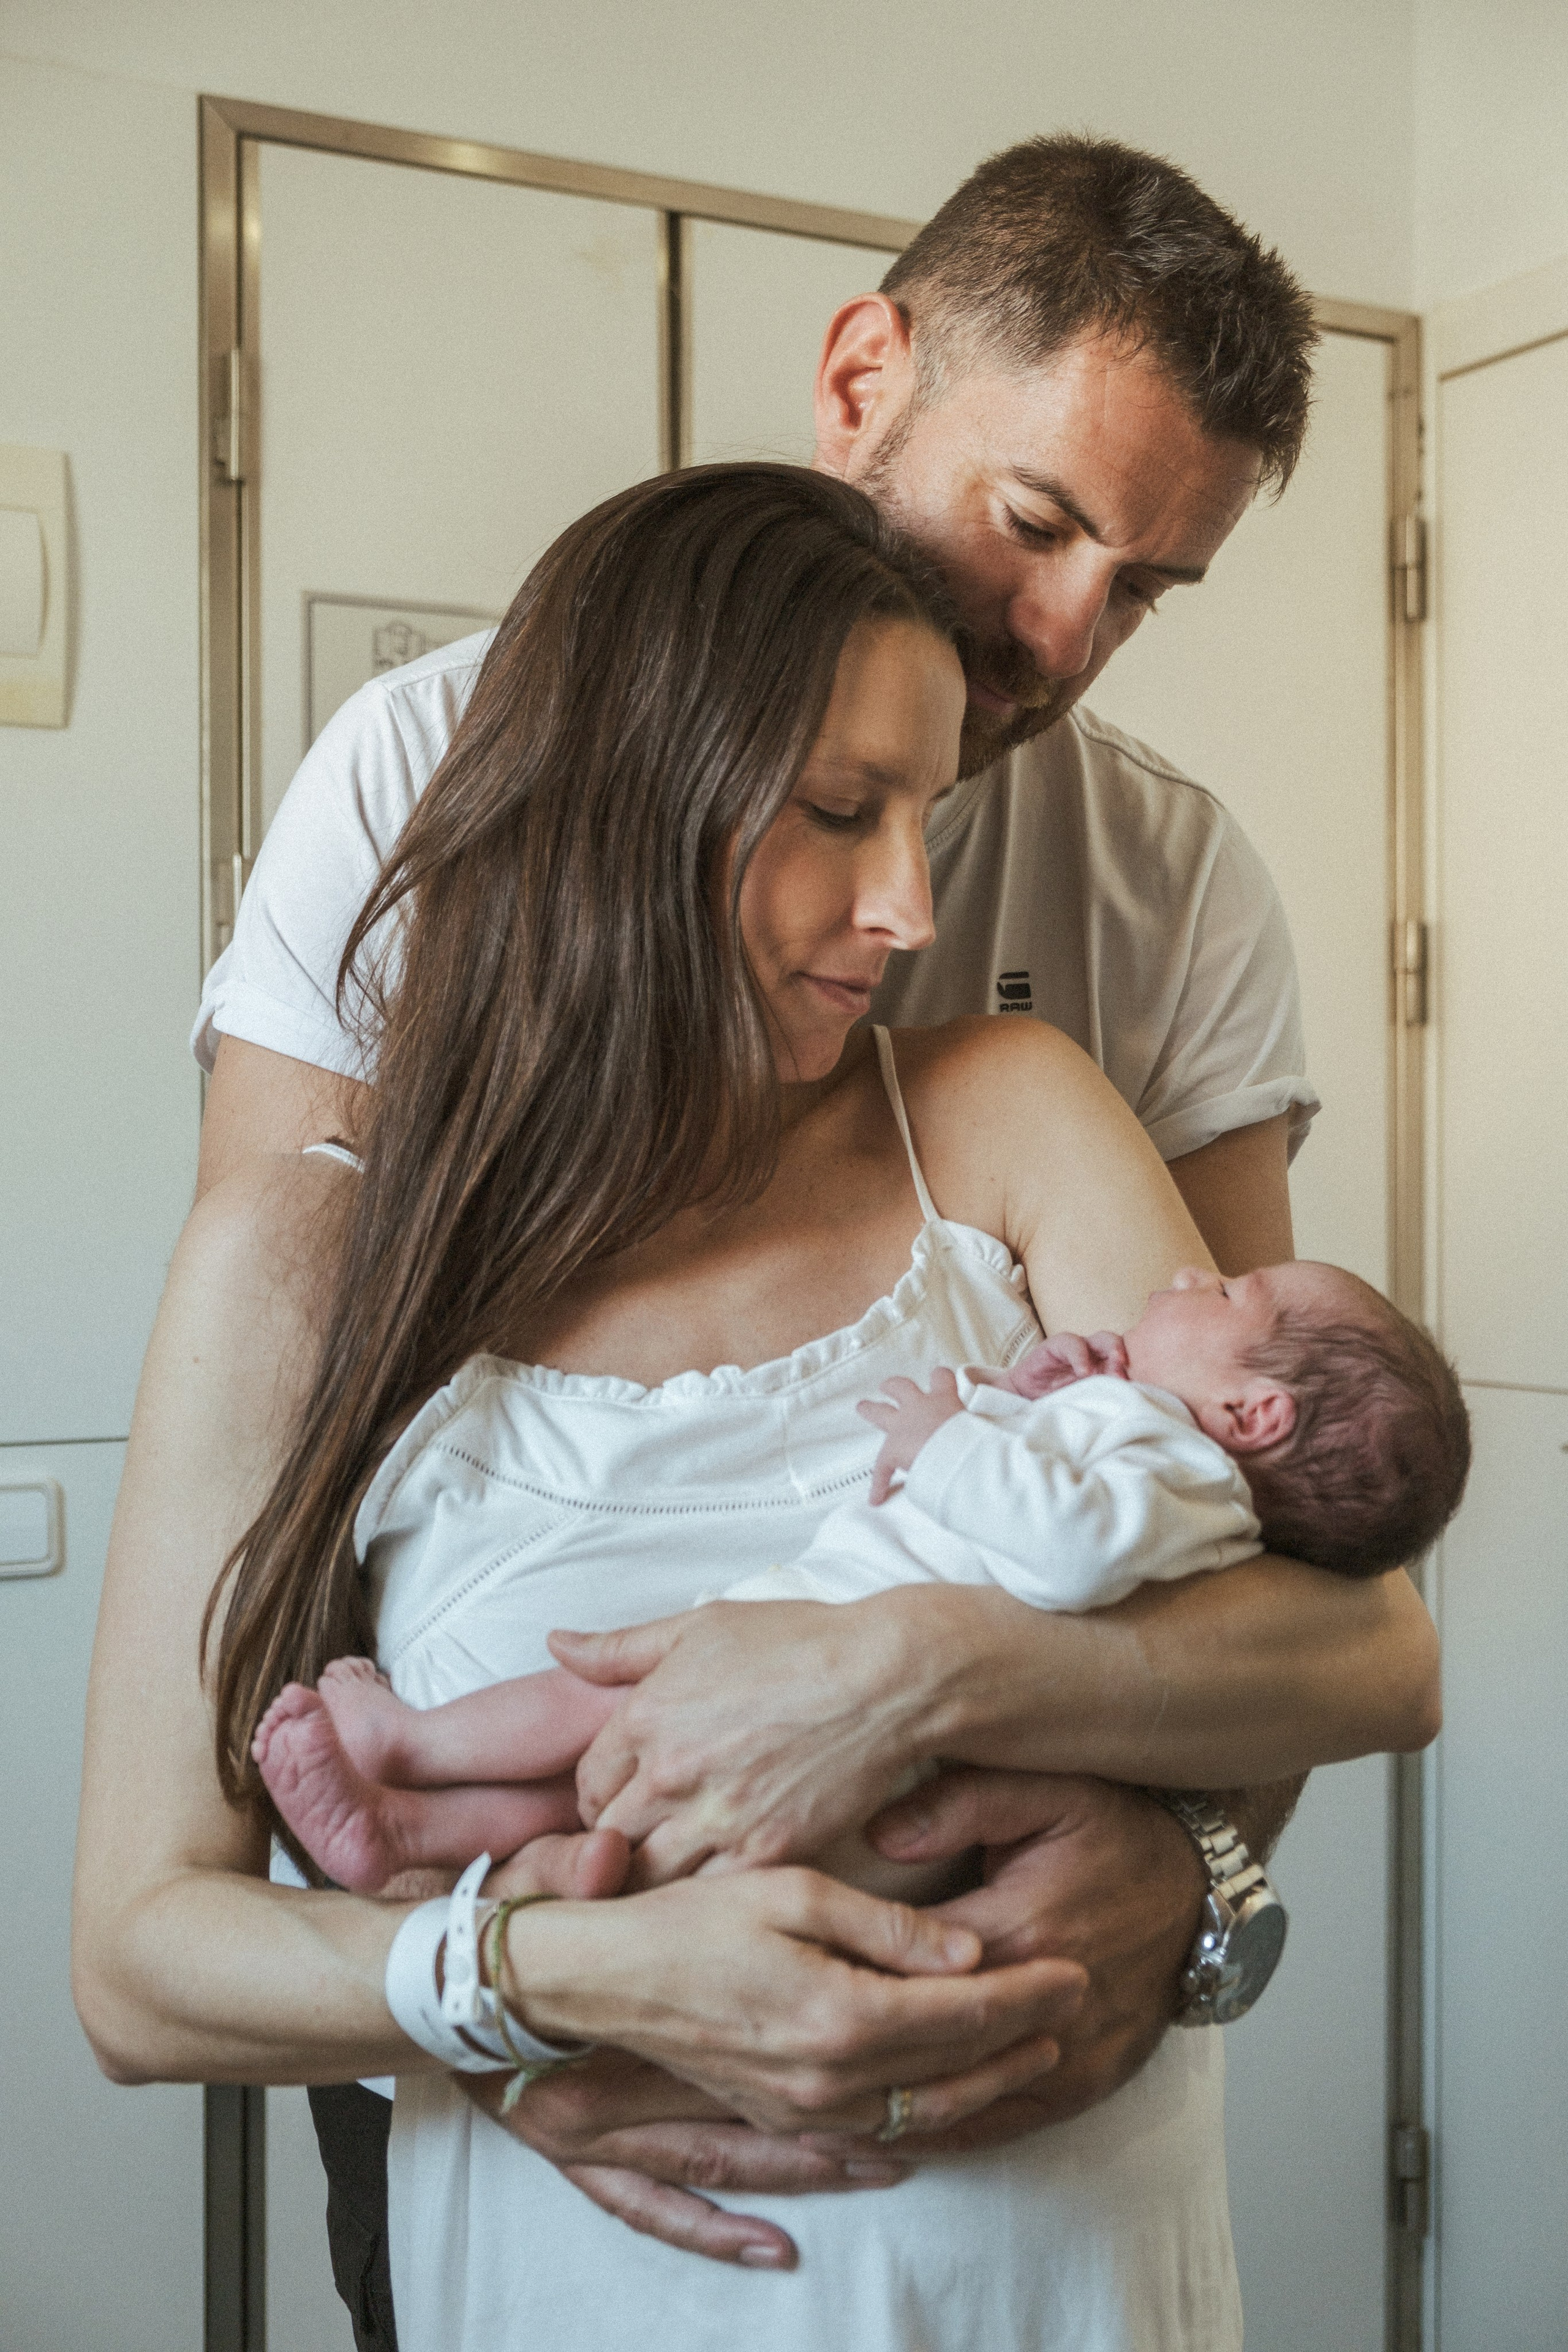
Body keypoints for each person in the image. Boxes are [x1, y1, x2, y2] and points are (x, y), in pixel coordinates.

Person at [179, 134, 1441, 2286]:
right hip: (525, 2014)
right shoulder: (416, 788)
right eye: (1039, 520)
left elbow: (1299, 1544)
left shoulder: (1164, 893)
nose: (1061, 629)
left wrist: (1195, 1888)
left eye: (1142, 586)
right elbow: (284, 1449)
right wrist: (526, 2001)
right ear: (865, 371)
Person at [251, 1260, 1469, 1901]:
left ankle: (408, 1746)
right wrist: (1031, 1390)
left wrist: (952, 1434)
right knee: (596, 1790)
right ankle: (406, 1830)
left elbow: (1071, 1547)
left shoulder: (1177, 1473)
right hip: (833, 1653)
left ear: (1251, 1413)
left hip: (817, 1639)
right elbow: (1057, 1502)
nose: (1190, 1276)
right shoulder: (1150, 1450)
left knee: (593, 1704)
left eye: (1227, 1295)